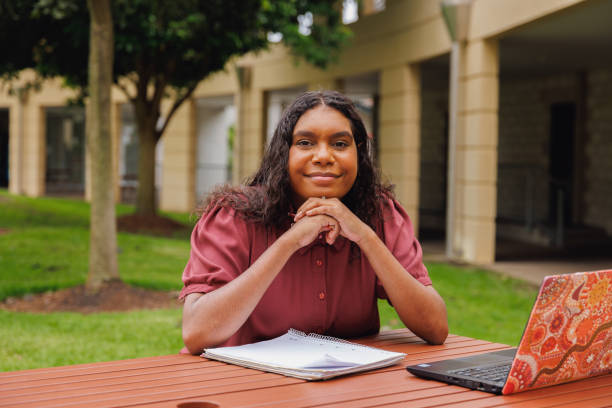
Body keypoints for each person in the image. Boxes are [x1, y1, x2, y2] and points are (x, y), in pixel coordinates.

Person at [180, 90, 448, 354]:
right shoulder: (234, 216)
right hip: (245, 388)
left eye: (340, 144)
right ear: (283, 152)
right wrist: (290, 241)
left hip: (348, 389)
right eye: (305, 143)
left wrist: (364, 236)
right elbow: (196, 332)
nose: (323, 156)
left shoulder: (380, 214)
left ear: (360, 154)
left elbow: (435, 328)